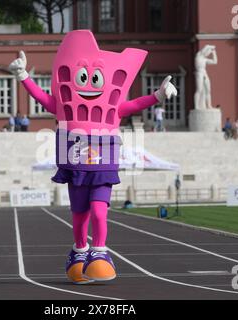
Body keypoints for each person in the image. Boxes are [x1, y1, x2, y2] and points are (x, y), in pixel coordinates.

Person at [10, 30, 177, 284]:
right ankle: (78, 253)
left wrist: (158, 96)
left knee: (99, 212)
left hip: (103, 164)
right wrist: (23, 75)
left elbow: (134, 104)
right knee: (80, 216)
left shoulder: (114, 106)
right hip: (75, 163)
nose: (88, 85)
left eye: (95, 79)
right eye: (83, 78)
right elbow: (43, 98)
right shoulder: (64, 104)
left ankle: (99, 253)